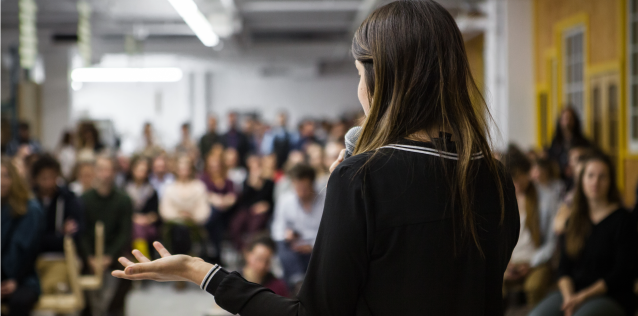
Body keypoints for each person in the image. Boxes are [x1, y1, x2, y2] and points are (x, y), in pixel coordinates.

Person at [112, 1, 520, 315]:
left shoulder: (362, 178)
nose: (359, 90)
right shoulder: (494, 178)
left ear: (384, 81)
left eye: (360, 75)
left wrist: (201, 272)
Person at [530, 153, 637, 316]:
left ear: (610, 181)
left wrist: (581, 298)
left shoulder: (624, 220)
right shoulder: (574, 219)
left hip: (612, 295)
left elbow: (621, 273)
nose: (595, 182)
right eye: (590, 176)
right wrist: (569, 298)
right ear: (582, 180)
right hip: (572, 291)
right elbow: (563, 267)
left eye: (602, 177)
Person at [501, 146, 559, 307]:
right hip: (511, 260)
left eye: (520, 177)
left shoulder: (546, 198)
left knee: (534, 287)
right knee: (491, 284)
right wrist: (506, 263)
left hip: (536, 259)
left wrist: (532, 263)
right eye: (512, 179)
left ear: (528, 173)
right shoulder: (504, 198)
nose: (516, 184)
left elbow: (552, 242)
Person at [80, 156, 133, 316]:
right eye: (102, 169)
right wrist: (89, 256)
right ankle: (87, 309)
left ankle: (113, 309)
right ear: (95, 172)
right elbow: (81, 233)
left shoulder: (124, 200)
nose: (106, 174)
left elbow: (125, 233)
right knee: (74, 269)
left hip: (113, 252)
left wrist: (109, 256)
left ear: (115, 172)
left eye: (109, 169)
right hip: (88, 253)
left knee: (130, 272)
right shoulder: (84, 199)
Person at [31, 155, 84, 295]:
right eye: (44, 178)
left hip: (62, 259)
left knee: (52, 288)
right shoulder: (29, 201)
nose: (49, 183)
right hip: (32, 260)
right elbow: (30, 240)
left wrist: (48, 238)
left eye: (53, 177)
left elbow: (74, 236)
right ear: (35, 179)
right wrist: (59, 234)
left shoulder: (68, 198)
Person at [1, 158, 45, 316]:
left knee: (19, 302)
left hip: (23, 278)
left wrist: (15, 281)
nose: (1, 181)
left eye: (5, 176)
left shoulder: (30, 209)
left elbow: (31, 252)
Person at [269, 163, 323, 291]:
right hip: (294, 246)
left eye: (304, 187)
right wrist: (286, 234)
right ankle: (297, 282)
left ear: (312, 183)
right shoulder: (285, 200)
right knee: (281, 246)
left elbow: (330, 231)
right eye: (297, 187)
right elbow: (277, 228)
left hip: (318, 246)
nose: (301, 191)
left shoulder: (325, 201)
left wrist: (312, 246)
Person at [159, 155, 210, 256]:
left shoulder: (199, 187)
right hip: (173, 228)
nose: (184, 171)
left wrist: (191, 217)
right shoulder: (169, 188)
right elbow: (165, 210)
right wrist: (179, 216)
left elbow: (203, 210)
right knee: (178, 230)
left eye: (186, 168)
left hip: (194, 227)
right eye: (181, 168)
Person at [230, 154, 275, 251]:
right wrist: (252, 184)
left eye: (258, 167)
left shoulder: (269, 183)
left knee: (255, 226)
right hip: (247, 210)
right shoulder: (246, 182)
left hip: (261, 213)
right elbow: (243, 201)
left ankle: (251, 249)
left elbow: (271, 202)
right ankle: (242, 250)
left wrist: (266, 206)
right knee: (236, 224)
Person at [200, 152, 236, 263]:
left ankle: (213, 251)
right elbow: (204, 194)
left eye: (217, 166)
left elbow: (233, 196)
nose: (215, 168)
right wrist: (216, 200)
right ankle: (217, 252)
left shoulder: (228, 180)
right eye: (212, 166)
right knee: (216, 217)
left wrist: (224, 201)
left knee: (218, 216)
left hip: (226, 212)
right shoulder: (204, 179)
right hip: (211, 212)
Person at [125, 156, 160, 259]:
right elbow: (123, 212)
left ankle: (141, 259)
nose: (141, 173)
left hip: (148, 226)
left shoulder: (151, 191)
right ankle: (141, 258)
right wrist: (134, 218)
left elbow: (155, 214)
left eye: (144, 171)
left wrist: (145, 219)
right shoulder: (125, 190)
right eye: (139, 170)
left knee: (139, 228)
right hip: (129, 224)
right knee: (135, 228)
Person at [547, 107, 591, 186]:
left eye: (570, 119)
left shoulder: (583, 141)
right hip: (559, 180)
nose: (567, 122)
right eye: (565, 119)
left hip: (578, 180)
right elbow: (551, 158)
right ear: (560, 121)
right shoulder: (556, 141)